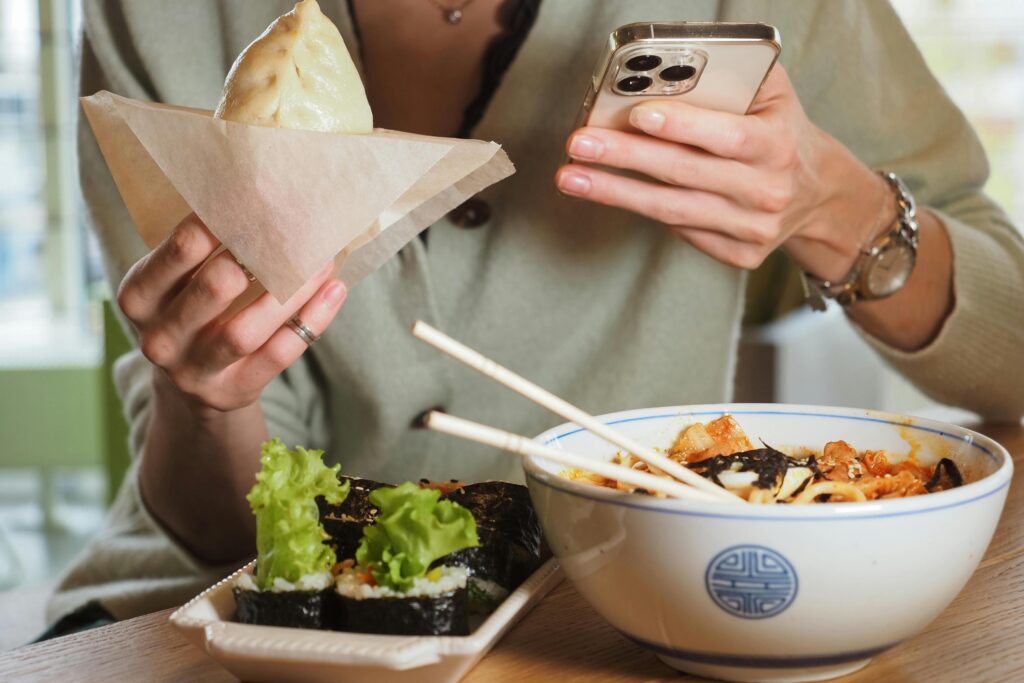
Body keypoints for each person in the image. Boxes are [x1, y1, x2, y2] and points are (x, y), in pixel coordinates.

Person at [49, 0, 1024, 625]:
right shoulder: (157, 15)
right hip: (211, 622)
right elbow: (224, 534)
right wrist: (206, 394)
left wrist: (833, 210)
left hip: (620, 617)